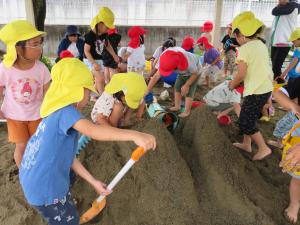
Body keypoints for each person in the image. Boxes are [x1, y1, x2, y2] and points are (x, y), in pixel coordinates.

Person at [19, 58, 156, 225]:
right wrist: (135, 135)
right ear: (76, 91)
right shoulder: (67, 113)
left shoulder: (54, 112)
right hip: (46, 189)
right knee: (69, 221)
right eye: (87, 91)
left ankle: (63, 202)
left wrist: (93, 182)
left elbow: (69, 158)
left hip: (33, 179)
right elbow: (94, 131)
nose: (89, 95)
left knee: (64, 189)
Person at [0, 20, 51, 167]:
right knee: (21, 146)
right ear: (18, 47)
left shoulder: (41, 68)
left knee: (37, 144)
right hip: (14, 116)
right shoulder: (5, 68)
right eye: (35, 44)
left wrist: (48, 111)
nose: (40, 47)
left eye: (40, 43)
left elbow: (47, 91)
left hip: (37, 115)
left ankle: (36, 168)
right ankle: (24, 175)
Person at [229, 11, 273, 161]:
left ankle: (263, 148)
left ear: (241, 35)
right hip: (265, 88)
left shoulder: (244, 50)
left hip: (256, 90)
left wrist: (232, 84)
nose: (236, 39)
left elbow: (241, 74)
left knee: (245, 121)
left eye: (236, 35)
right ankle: (246, 144)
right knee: (250, 116)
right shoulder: (261, 45)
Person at [147, 47, 202, 118]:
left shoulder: (189, 62)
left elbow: (195, 73)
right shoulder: (165, 57)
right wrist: (147, 90)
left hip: (195, 73)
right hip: (181, 73)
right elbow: (156, 76)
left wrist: (186, 85)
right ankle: (177, 106)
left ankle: (187, 111)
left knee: (189, 91)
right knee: (177, 86)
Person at [83, 7, 119, 95]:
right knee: (100, 78)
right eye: (107, 27)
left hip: (99, 59)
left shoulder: (104, 33)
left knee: (100, 79)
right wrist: (93, 63)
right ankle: (103, 97)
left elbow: (107, 45)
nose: (108, 29)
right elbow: (86, 51)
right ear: (100, 24)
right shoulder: (90, 35)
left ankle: (94, 95)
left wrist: (114, 55)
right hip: (90, 60)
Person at [271, 0, 299, 83]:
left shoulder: (294, 6)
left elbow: (274, 11)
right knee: (275, 66)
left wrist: (279, 5)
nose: (279, 0)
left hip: (285, 41)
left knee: (276, 66)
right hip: (276, 41)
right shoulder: (285, 6)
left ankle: (279, 84)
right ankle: (277, 83)